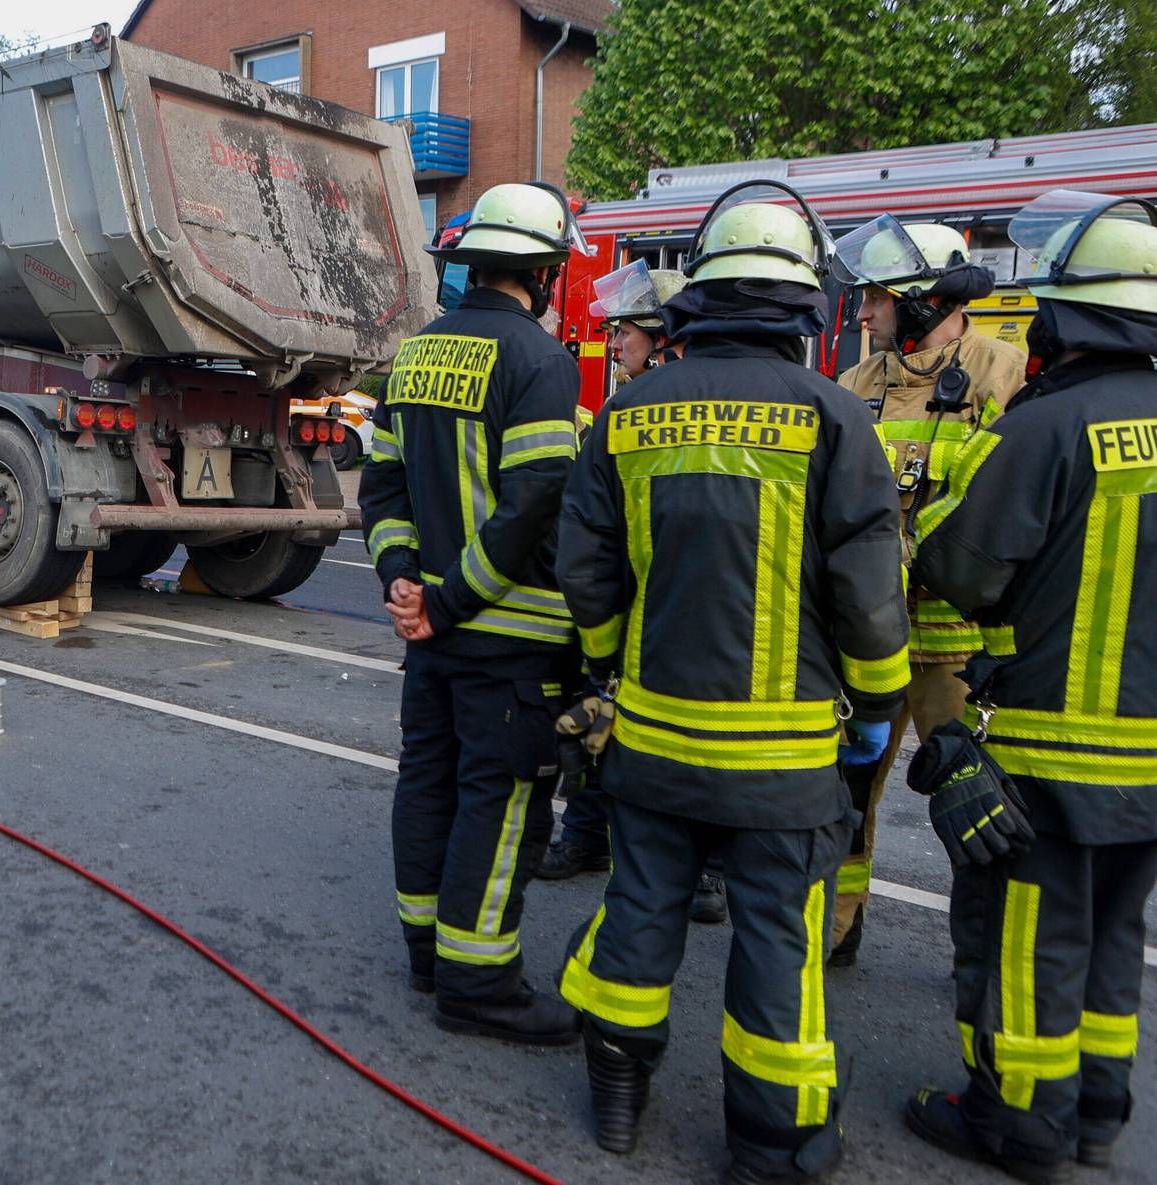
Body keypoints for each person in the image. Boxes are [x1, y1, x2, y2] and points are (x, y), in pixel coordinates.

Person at [555, 182, 910, 1183]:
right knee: (776, 946)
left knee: (641, 908)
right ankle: (771, 1143)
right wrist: (877, 708)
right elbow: (869, 592)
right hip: (786, 763)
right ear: (803, 309)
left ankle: (618, 1096)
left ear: (696, 302)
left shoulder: (626, 414)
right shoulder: (839, 417)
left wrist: (617, 659)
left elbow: (583, 568)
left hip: (654, 740)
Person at [901, 191, 1157, 1181]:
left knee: (1029, 943)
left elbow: (960, 569)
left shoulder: (1046, 431)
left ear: (1078, 313)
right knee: (1113, 935)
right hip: (1147, 761)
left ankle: (1018, 1123)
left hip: (1048, 752)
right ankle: (1097, 1112)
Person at [359, 182, 586, 1046]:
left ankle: (427, 952)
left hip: (432, 636)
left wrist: (402, 584)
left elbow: (382, 489)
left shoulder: (412, 357)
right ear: (544, 272)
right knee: (501, 803)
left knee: (429, 782)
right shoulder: (540, 362)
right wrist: (449, 603)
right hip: (510, 639)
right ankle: (480, 981)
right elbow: (532, 503)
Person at [827, 217, 1025, 967]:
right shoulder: (857, 383)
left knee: (975, 801)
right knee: (847, 796)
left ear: (921, 299)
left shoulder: (1003, 370)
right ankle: (837, 928)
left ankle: (987, 956)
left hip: (957, 646)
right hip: (871, 637)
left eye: (878, 297)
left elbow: (1004, 506)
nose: (866, 312)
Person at [540, 263, 731, 926]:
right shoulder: (619, 409)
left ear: (666, 335)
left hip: (677, 600)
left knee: (692, 735)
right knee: (597, 719)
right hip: (618, 596)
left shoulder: (695, 410)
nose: (615, 341)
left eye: (629, 330)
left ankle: (705, 867)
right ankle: (587, 837)